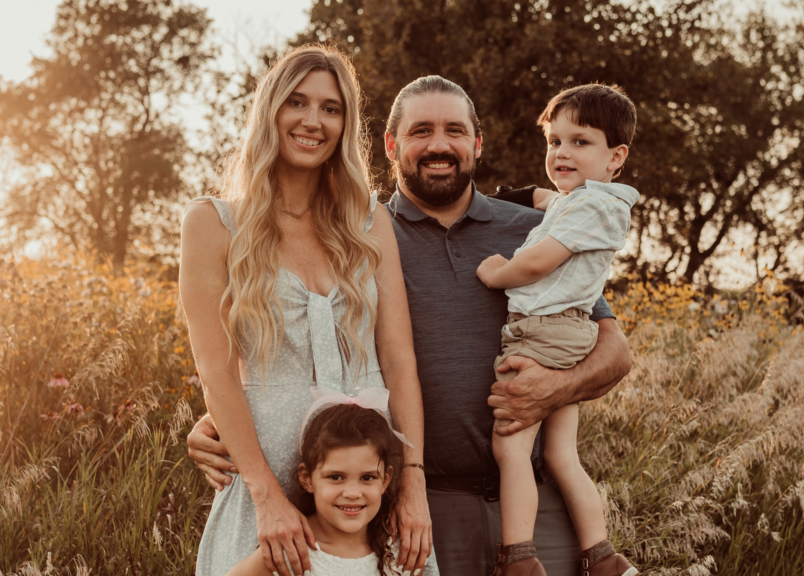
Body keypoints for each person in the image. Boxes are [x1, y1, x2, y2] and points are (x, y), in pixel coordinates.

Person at [188, 75, 634, 576]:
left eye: (455, 131)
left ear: (477, 143)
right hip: (418, 507)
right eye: (421, 131)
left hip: (533, 506)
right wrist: (223, 419)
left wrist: (555, 388)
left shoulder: (536, 229)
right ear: (390, 144)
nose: (439, 145)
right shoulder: (355, 234)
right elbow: (307, 342)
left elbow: (614, 349)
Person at [179, 45, 431, 576]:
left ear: (345, 122)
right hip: (264, 470)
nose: (313, 121)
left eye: (331, 108)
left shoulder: (369, 221)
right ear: (270, 110)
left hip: (363, 483)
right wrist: (265, 492)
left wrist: (412, 481)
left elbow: (398, 355)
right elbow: (215, 369)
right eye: (297, 102)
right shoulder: (212, 224)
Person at [476, 84, 640, 576]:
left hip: (541, 333)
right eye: (554, 141)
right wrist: (524, 194)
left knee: (511, 446)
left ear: (617, 156)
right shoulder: (591, 200)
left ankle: (519, 556)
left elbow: (537, 263)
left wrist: (496, 272)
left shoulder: (590, 208)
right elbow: (552, 199)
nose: (562, 152)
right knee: (562, 453)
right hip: (569, 334)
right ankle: (602, 553)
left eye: (579, 142)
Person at [226, 388, 439, 576]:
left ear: (385, 480)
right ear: (306, 478)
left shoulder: (399, 554)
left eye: (367, 478)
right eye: (336, 477)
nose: (353, 493)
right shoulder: (290, 550)